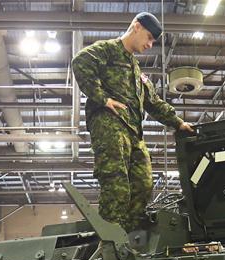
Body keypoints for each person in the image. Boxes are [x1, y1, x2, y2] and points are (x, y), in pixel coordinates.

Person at [71, 12, 195, 232]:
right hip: (109, 126)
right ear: (136, 27)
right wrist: (102, 98)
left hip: (133, 134)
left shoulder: (136, 70)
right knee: (116, 187)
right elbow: (80, 62)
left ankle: (128, 237)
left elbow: (153, 102)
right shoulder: (107, 50)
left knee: (143, 185)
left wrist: (178, 123)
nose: (149, 44)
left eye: (152, 41)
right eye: (148, 37)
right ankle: (110, 242)